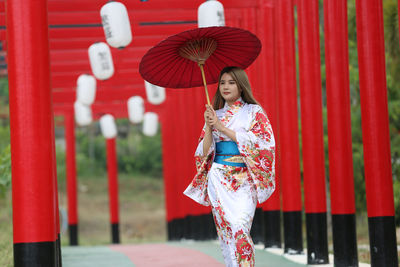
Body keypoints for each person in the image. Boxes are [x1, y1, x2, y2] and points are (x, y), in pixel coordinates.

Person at [184, 66, 276, 267]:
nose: (226, 87)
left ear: (241, 86)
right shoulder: (214, 114)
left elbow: (262, 144)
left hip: (244, 179)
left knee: (240, 227)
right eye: (222, 82)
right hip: (219, 179)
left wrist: (220, 127)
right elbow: (203, 152)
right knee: (227, 234)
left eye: (231, 82)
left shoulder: (254, 112)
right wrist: (209, 127)